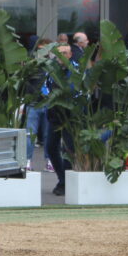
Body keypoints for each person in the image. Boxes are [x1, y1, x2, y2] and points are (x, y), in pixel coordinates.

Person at [46, 44, 80, 196]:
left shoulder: (76, 69)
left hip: (71, 116)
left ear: (70, 54)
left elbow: (78, 90)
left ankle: (65, 182)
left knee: (68, 149)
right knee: (50, 147)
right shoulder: (51, 69)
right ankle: (62, 178)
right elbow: (44, 88)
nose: (62, 56)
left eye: (65, 53)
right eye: (59, 53)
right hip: (54, 115)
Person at [24, 38, 53, 170]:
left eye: (46, 49)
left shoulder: (52, 65)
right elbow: (25, 83)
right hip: (33, 104)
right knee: (30, 134)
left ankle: (50, 161)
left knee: (48, 135)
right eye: (40, 49)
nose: (43, 52)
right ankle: (27, 161)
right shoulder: (32, 64)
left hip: (48, 104)